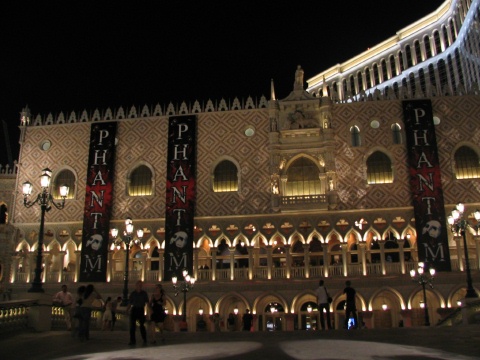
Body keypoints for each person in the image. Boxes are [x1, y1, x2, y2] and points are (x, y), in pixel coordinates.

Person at [127, 280, 149, 346]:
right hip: (134, 309)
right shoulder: (133, 294)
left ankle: (144, 338)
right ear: (136, 286)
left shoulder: (144, 293)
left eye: (140, 285)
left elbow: (147, 303)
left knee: (142, 325)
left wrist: (148, 312)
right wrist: (127, 310)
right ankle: (132, 340)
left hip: (141, 309)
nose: (139, 286)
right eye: (138, 285)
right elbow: (130, 303)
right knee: (132, 326)